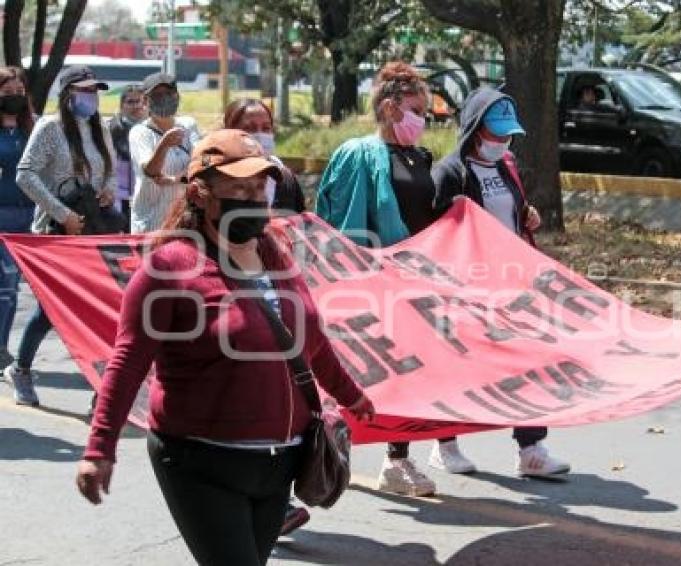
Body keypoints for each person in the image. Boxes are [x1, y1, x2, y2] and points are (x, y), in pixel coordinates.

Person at [76, 129, 375, 566]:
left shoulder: (275, 253)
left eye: (260, 186)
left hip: (280, 464)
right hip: (200, 463)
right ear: (201, 193)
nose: (256, 198)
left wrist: (352, 395)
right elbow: (127, 363)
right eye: (240, 187)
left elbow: (310, 342)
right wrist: (99, 449)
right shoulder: (168, 267)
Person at [430, 86, 571, 479]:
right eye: (496, 133)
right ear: (474, 129)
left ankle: (531, 448)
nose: (503, 141)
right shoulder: (449, 172)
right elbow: (437, 233)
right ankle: (446, 444)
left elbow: (510, 210)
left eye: (508, 134)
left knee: (527, 358)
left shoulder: (506, 164)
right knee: (457, 366)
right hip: (467, 286)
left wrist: (528, 215)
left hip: (512, 282)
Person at [316, 61, 440, 497]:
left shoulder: (420, 156)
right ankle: (330, 443)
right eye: (414, 109)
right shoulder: (358, 154)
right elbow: (344, 227)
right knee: (362, 371)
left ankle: (397, 457)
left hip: (415, 280)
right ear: (389, 107)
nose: (421, 120)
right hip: (374, 282)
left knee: (407, 373)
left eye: (424, 111)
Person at [3, 65, 116, 407]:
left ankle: (102, 388)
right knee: (51, 310)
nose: (91, 97)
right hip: (56, 232)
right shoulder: (50, 128)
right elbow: (25, 174)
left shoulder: (100, 128)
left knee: (100, 305)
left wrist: (108, 190)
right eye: (84, 90)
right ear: (67, 95)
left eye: (95, 90)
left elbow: (108, 170)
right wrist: (61, 213)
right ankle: (21, 369)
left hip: (93, 230)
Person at [224, 97, 310, 536]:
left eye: (265, 124)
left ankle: (278, 500)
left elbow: (304, 227)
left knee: (285, 390)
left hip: (279, 293)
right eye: (249, 125)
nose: (260, 132)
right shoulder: (214, 176)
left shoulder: (284, 176)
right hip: (234, 299)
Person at [129, 72, 200, 233]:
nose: (164, 98)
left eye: (169, 93)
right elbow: (150, 171)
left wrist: (176, 179)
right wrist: (163, 145)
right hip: (151, 223)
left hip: (184, 221)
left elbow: (200, 162)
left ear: (177, 96)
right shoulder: (140, 132)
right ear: (146, 100)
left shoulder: (189, 125)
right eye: (157, 95)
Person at [0, 66, 35, 370]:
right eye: (7, 93)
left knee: (11, 289)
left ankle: (2, 346)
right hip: (0, 215)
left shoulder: (32, 128)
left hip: (28, 219)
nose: (14, 98)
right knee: (4, 285)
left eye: (19, 93)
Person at [223, 98, 304, 214]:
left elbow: (299, 223)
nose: (260, 135)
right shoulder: (217, 180)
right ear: (228, 132)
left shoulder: (285, 179)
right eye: (249, 128)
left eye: (266, 128)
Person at [108, 84, 146, 231]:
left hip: (144, 196)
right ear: (122, 105)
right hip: (118, 196)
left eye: (139, 101)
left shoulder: (151, 129)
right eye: (130, 102)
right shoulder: (110, 128)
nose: (135, 106)